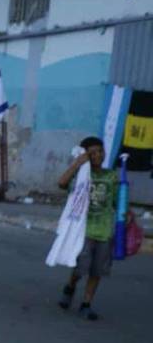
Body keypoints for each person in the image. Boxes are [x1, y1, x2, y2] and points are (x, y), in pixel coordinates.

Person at [56, 137, 124, 320]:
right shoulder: (81, 175)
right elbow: (61, 183)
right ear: (86, 155)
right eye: (92, 153)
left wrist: (125, 216)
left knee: (97, 271)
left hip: (104, 230)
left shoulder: (111, 175)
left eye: (100, 151)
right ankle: (70, 286)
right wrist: (77, 164)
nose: (98, 156)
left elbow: (117, 201)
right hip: (83, 229)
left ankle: (86, 304)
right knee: (80, 268)